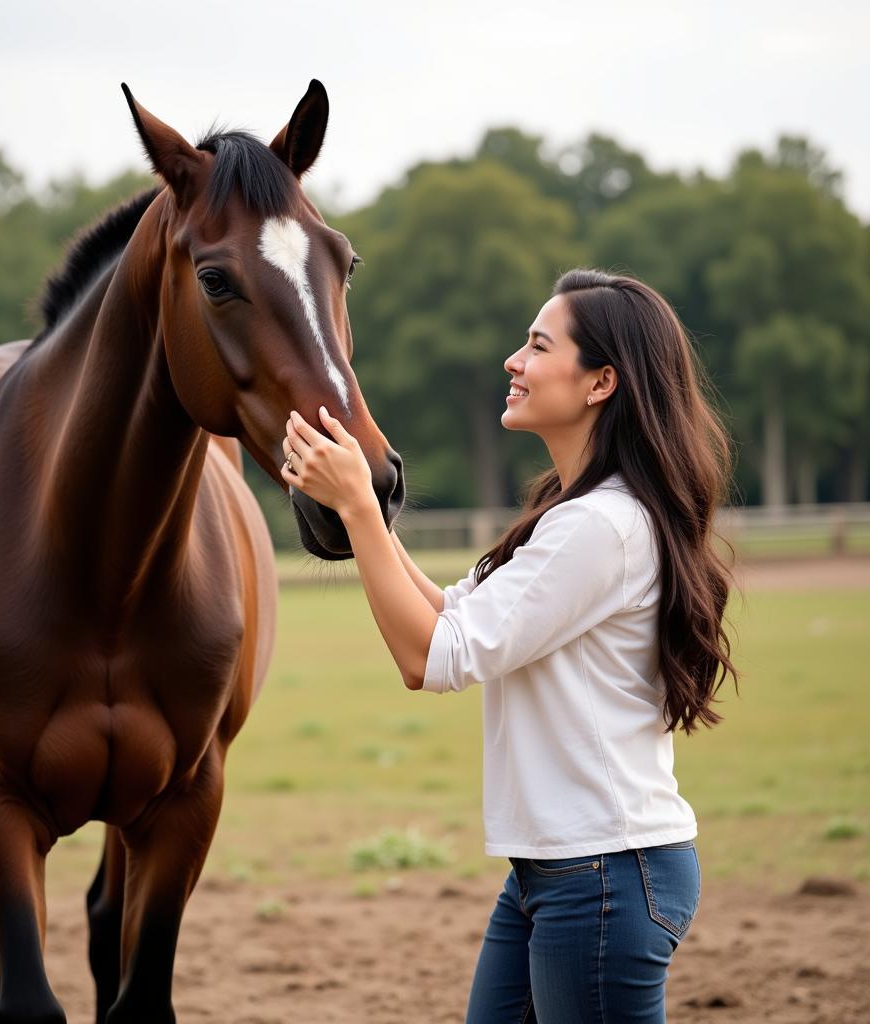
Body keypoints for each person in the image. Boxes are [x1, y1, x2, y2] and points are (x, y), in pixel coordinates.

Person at [280, 266, 738, 1024]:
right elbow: (456, 614)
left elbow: (431, 658)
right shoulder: (575, 512)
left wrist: (361, 508)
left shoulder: (601, 527)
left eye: (536, 346)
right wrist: (364, 512)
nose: (513, 362)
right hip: (557, 872)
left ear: (600, 384)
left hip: (603, 875)